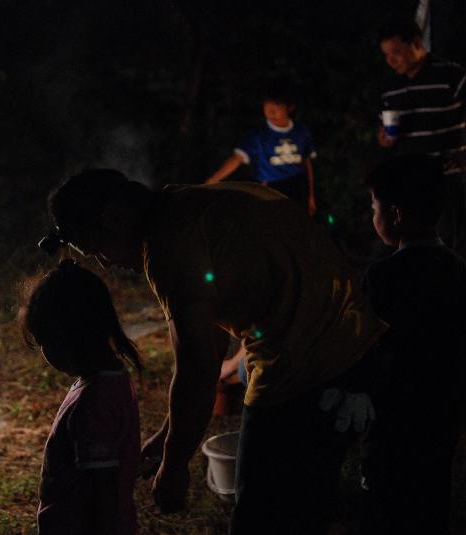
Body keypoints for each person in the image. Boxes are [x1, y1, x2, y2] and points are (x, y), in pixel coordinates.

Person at [40, 169, 387, 534]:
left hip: (305, 368)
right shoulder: (191, 203)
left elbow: (196, 368)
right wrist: (168, 434)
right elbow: (209, 338)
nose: (106, 263)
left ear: (113, 218)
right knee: (305, 505)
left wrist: (174, 468)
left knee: (259, 517)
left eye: (98, 251)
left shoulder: (168, 244)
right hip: (358, 345)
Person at [361, 155, 466, 535]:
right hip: (443, 413)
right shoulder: (458, 269)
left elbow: (368, 347)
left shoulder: (383, 275)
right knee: (432, 499)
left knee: (386, 506)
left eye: (373, 207)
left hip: (392, 417)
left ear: (396, 214)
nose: (372, 216)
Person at [20, 259, 142, 535]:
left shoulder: (93, 403)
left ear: (65, 338)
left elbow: (102, 489)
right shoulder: (113, 380)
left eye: (43, 342)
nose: (44, 353)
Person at [377, 18, 466, 255]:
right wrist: (384, 139)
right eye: (386, 55)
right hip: (407, 182)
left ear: (416, 43)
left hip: (445, 179)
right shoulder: (391, 88)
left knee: (448, 247)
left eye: (396, 52)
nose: (391, 60)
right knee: (411, 250)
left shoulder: (452, 76)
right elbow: (383, 133)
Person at [205, 82, 318, 216]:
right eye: (267, 104)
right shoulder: (258, 135)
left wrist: (311, 196)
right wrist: (212, 181)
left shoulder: (301, 132)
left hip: (298, 188)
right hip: (271, 190)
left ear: (290, 107)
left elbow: (307, 164)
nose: (270, 110)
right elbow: (236, 159)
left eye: (276, 105)